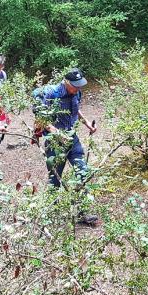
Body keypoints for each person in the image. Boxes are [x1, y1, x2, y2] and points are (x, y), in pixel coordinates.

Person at [32, 68, 97, 224]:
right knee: (55, 178)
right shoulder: (51, 94)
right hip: (54, 142)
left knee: (82, 172)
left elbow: (75, 110)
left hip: (72, 138)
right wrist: (57, 133)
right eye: (75, 85)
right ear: (66, 82)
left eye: (80, 85)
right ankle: (51, 213)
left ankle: (81, 212)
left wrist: (86, 123)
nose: (78, 88)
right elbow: (41, 118)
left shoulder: (77, 93)